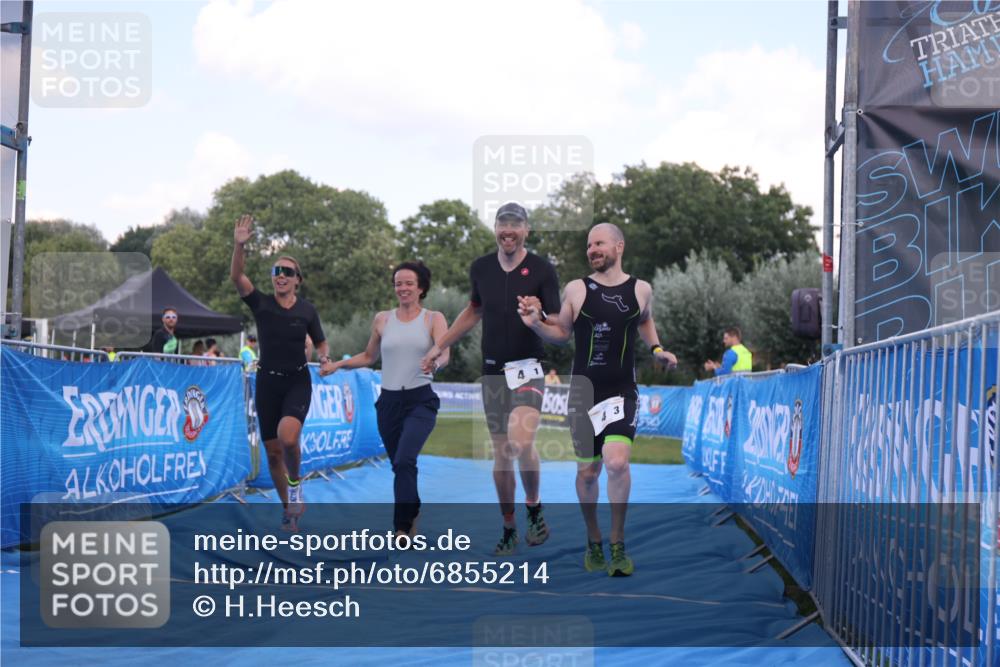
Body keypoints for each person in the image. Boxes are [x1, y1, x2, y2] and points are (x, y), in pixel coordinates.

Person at [518, 223, 677, 576]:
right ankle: (594, 541)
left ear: (619, 246)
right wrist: (535, 324)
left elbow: (645, 321)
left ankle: (618, 544)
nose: (592, 249)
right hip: (584, 393)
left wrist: (657, 348)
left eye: (599, 243)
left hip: (622, 390)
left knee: (617, 462)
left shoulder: (641, 290)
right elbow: (560, 332)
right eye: (589, 245)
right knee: (588, 473)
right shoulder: (576, 289)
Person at [421, 201, 560, 555]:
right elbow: (473, 311)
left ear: (526, 229)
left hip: (528, 368)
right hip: (493, 373)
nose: (508, 230)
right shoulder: (481, 268)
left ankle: (535, 508)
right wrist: (439, 346)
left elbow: (559, 326)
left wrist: (538, 316)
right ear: (496, 228)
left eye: (516, 223)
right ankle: (510, 527)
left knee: (519, 442)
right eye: (502, 223)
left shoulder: (543, 270)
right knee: (502, 453)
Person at [324, 261, 449, 545]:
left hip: (420, 400)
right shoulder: (382, 319)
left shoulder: (433, 318)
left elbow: (445, 353)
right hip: (389, 402)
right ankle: (412, 507)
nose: (402, 288)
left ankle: (402, 529)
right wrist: (339, 365)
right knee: (400, 465)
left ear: (421, 288)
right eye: (398, 283)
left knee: (405, 459)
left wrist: (435, 364)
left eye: (408, 283)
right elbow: (369, 357)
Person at [231, 214, 335, 531]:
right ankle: (289, 508)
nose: (281, 276)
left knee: (289, 438)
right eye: (277, 271)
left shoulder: (307, 310)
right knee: (273, 454)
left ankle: (295, 484)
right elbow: (237, 277)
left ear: (297, 279)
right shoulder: (261, 303)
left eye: (287, 272)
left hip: (297, 381)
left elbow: (321, 342)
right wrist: (239, 245)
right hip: (267, 383)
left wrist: (326, 357)